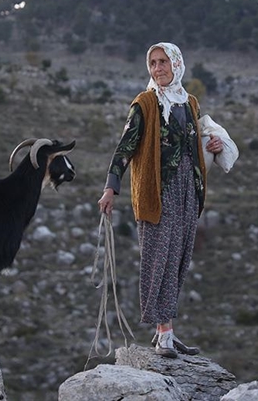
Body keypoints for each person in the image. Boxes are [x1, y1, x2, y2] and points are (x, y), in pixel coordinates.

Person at [98, 42, 224, 358]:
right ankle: (163, 331)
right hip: (157, 194)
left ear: (177, 64)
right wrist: (111, 188)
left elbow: (194, 144)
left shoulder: (189, 104)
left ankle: (166, 332)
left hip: (187, 192)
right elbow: (124, 148)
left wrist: (214, 147)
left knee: (178, 259)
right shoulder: (144, 103)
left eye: (163, 62)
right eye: (153, 63)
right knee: (159, 259)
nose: (158, 68)